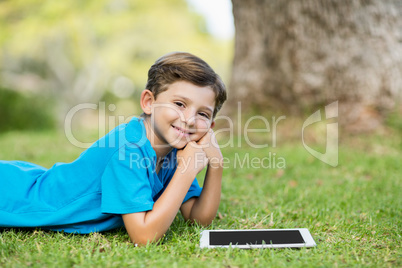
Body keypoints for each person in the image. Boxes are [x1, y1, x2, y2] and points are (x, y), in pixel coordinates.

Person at [0, 52, 227, 246]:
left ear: (210, 127)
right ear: (149, 102)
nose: (188, 119)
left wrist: (216, 165)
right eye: (179, 104)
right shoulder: (128, 149)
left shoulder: (177, 150)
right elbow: (145, 236)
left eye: (202, 114)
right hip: (13, 196)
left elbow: (196, 219)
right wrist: (186, 171)